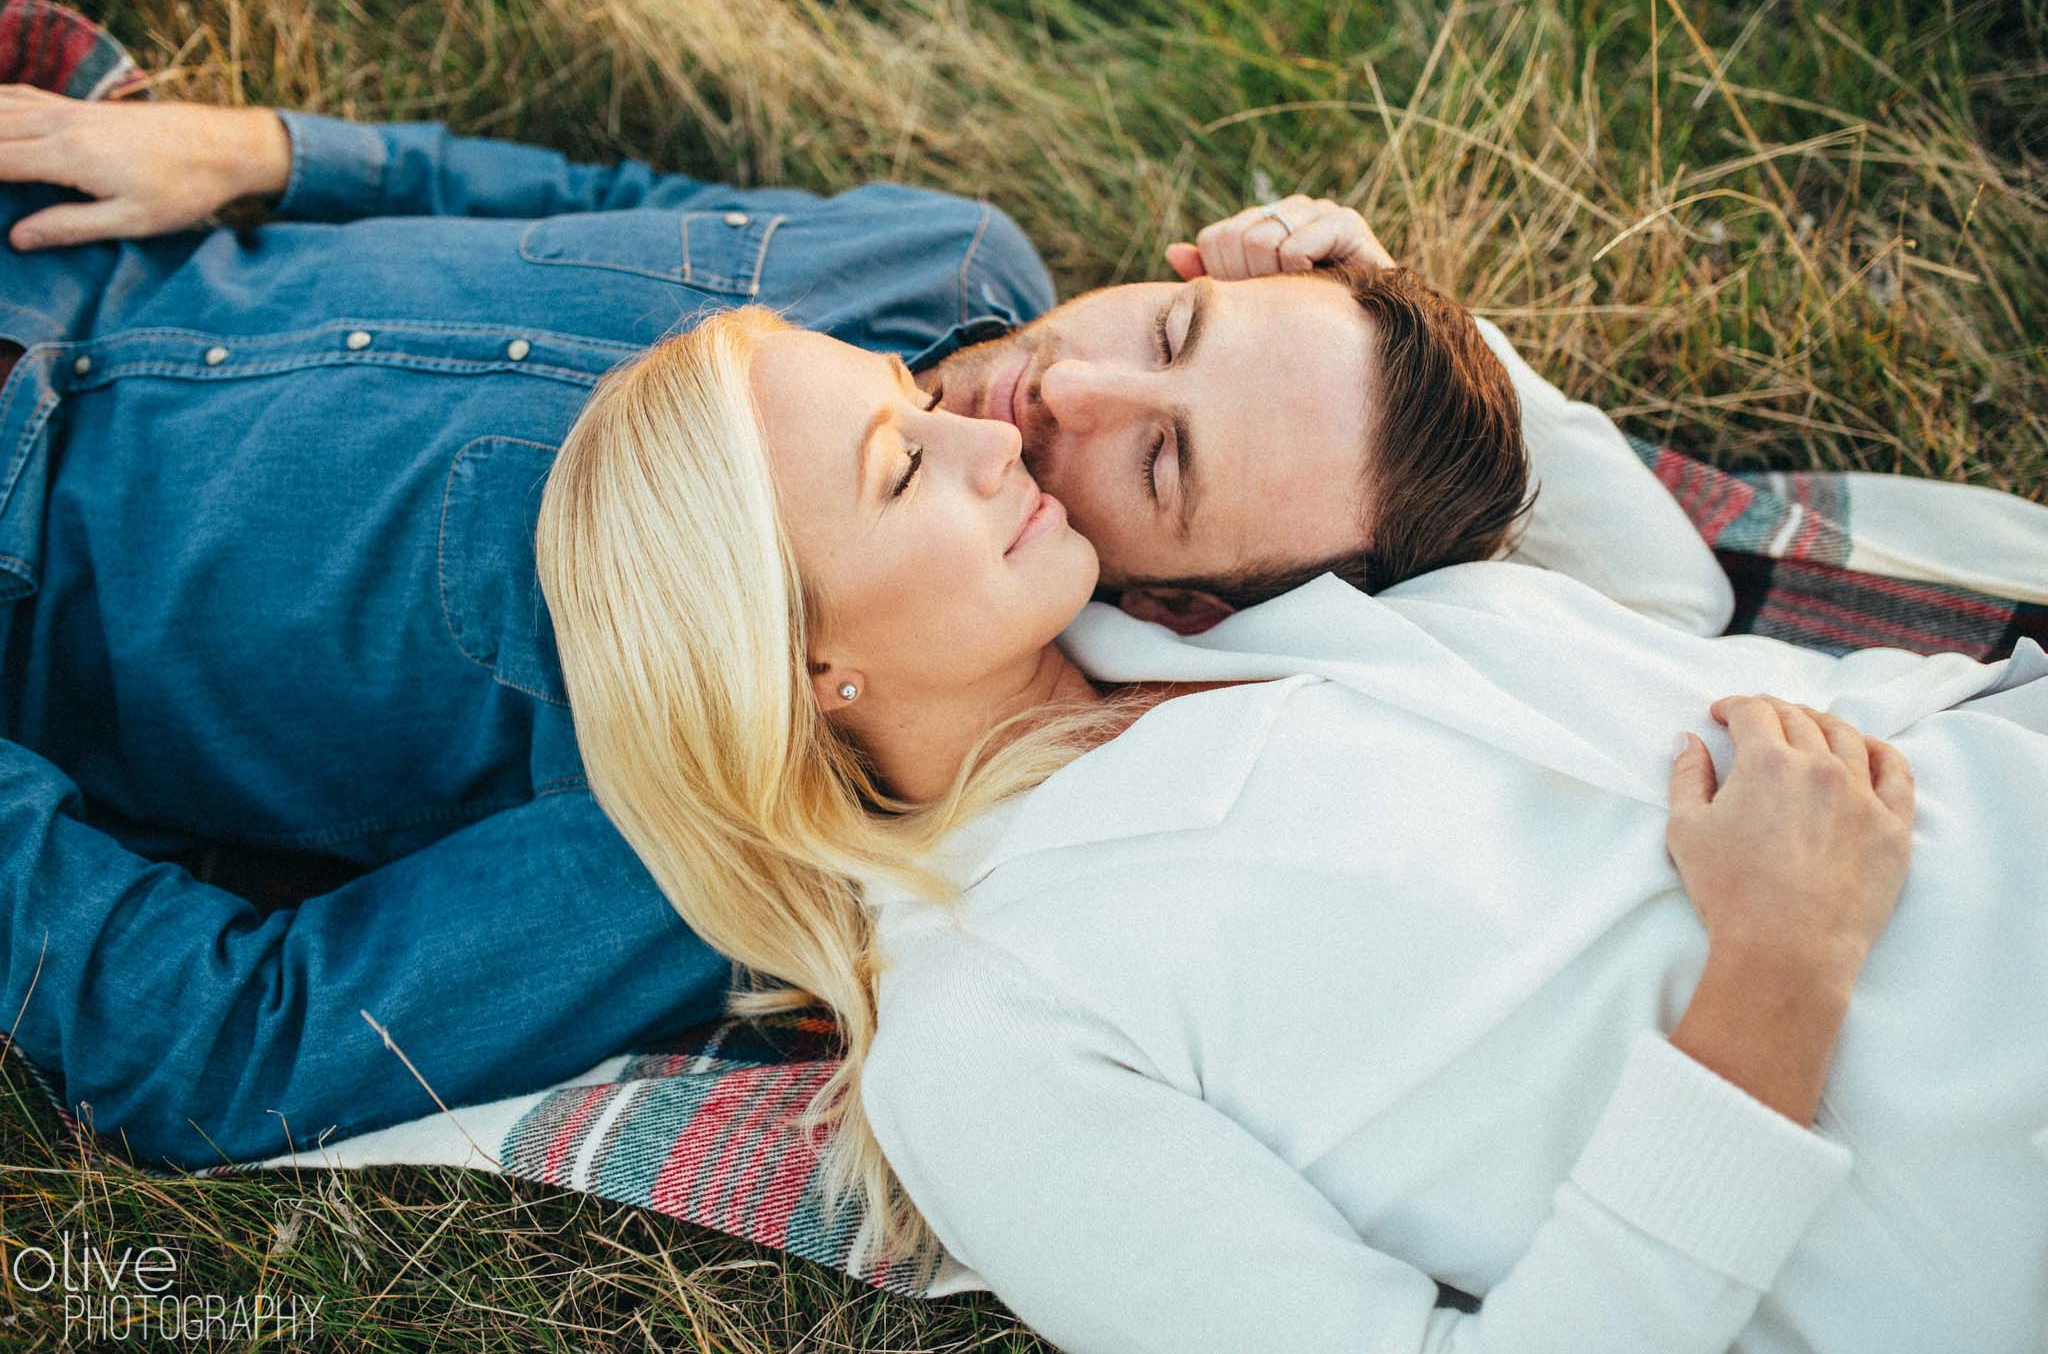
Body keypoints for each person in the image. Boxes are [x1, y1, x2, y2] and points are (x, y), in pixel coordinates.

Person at [0, 87, 1721, 1167]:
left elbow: (241, 1051)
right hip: (61, 256)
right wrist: (270, 152)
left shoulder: (707, 779)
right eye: (1184, 327)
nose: (1069, 382)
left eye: (1165, 454)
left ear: (1174, 605)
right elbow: (580, 201)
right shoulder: (949, 254)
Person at [533, 304, 2047, 1353]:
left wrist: (1393, 315)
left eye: (916, 399)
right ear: (804, 669)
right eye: (900, 467)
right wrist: (1778, 973)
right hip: (1976, 1148)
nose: (991, 438)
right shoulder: (990, 1032)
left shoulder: (1187, 619)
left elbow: (1657, 615)